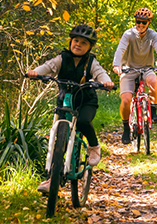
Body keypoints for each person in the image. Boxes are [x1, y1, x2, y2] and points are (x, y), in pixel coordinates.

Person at [27, 24, 114, 194]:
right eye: (76, 41)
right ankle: (53, 177)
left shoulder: (91, 62)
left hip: (85, 101)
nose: (78, 44)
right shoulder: (62, 58)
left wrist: (106, 82)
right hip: (65, 101)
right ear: (70, 42)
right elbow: (48, 67)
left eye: (84, 43)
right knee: (58, 136)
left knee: (82, 121)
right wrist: (35, 72)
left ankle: (94, 146)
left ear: (90, 47)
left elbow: (100, 73)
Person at [112, 7, 157, 144]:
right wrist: (117, 65)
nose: (140, 25)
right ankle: (126, 127)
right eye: (138, 22)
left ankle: (153, 109)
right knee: (126, 100)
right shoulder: (128, 34)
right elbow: (120, 49)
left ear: (149, 22)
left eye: (144, 22)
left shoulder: (153, 35)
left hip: (146, 68)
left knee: (153, 80)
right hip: (129, 69)